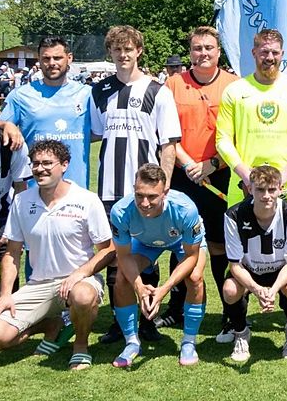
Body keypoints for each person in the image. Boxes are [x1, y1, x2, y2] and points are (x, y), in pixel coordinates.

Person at [0, 140, 113, 370]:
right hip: (38, 285)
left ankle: (80, 347)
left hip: (79, 281)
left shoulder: (87, 200)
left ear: (64, 165)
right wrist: (5, 296)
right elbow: (12, 253)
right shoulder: (22, 201)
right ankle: (49, 325)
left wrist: (79, 275)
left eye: (47, 163)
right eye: (35, 163)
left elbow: (108, 249)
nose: (40, 168)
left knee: (82, 296)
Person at [91, 25, 182, 345]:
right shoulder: (99, 90)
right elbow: (97, 134)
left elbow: (168, 144)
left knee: (148, 255)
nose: (123, 54)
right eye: (117, 50)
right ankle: (120, 323)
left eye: (128, 49)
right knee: (117, 257)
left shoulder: (158, 91)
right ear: (111, 53)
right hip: (110, 188)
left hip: (145, 190)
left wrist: (164, 185)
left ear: (139, 51)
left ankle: (146, 322)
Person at [163, 26, 239, 340]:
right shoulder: (172, 84)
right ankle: (176, 307)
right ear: (190, 52)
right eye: (197, 48)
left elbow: (237, 136)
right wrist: (189, 163)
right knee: (180, 242)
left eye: (208, 47)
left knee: (222, 245)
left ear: (218, 52)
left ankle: (228, 310)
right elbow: (167, 133)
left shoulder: (234, 86)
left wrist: (211, 164)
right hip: (184, 173)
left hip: (220, 175)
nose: (203, 53)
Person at [109, 164, 207, 368]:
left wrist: (164, 289)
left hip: (182, 243)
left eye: (152, 196)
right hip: (145, 242)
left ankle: (189, 342)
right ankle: (132, 342)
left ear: (165, 193)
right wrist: (139, 286)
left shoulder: (185, 209)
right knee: (121, 278)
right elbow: (124, 255)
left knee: (195, 278)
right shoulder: (120, 211)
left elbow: (191, 255)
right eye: (139, 195)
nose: (144, 203)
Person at [216, 28, 287, 210]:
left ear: (282, 54)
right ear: (254, 53)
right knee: (239, 238)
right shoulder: (234, 91)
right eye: (264, 52)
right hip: (244, 184)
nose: (270, 57)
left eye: (275, 52)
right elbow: (222, 140)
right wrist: (246, 175)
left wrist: (285, 174)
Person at [222, 165, 287, 362]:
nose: (266, 196)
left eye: (271, 190)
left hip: (281, 270)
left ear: (280, 189)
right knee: (229, 290)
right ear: (250, 189)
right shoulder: (233, 216)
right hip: (248, 270)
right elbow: (235, 265)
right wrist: (257, 289)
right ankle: (241, 333)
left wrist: (273, 289)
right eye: (260, 189)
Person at [0, 36, 93, 189]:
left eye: (57, 58)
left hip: (76, 189)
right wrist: (6, 124)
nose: (52, 63)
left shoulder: (87, 94)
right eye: (46, 58)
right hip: (34, 189)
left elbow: (101, 131)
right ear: (39, 60)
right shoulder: (21, 95)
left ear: (69, 58)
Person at [0, 97, 32, 297]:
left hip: (1, 215)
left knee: (10, 260)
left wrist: (15, 227)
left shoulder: (10, 144)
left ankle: (5, 312)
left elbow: (21, 188)